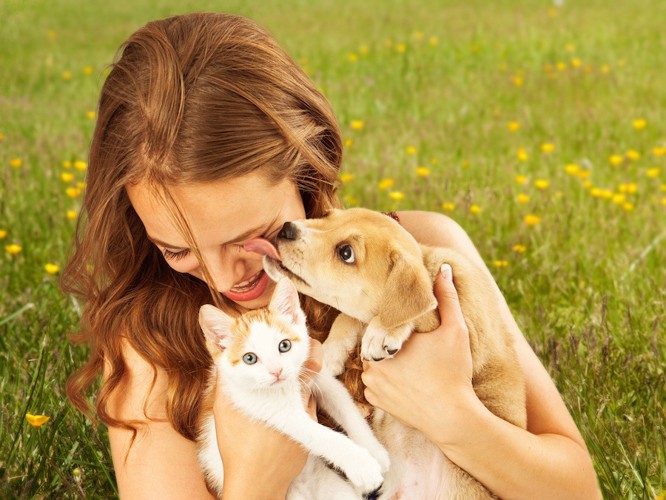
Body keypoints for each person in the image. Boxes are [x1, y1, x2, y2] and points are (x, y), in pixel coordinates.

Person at [62, 12, 600, 499]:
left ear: (307, 169)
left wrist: (450, 413)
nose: (226, 277)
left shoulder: (419, 256)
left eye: (252, 235)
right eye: (177, 250)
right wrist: (255, 479)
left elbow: (577, 489)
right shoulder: (151, 347)